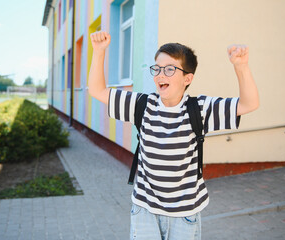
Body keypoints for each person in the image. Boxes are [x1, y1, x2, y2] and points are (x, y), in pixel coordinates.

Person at [88, 31, 259, 240]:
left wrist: (241, 66)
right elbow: (97, 90)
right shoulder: (142, 105)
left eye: (169, 69)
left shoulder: (200, 109)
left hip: (185, 213)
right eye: (157, 69)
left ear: (187, 78)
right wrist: (98, 52)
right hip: (145, 209)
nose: (161, 74)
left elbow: (249, 104)